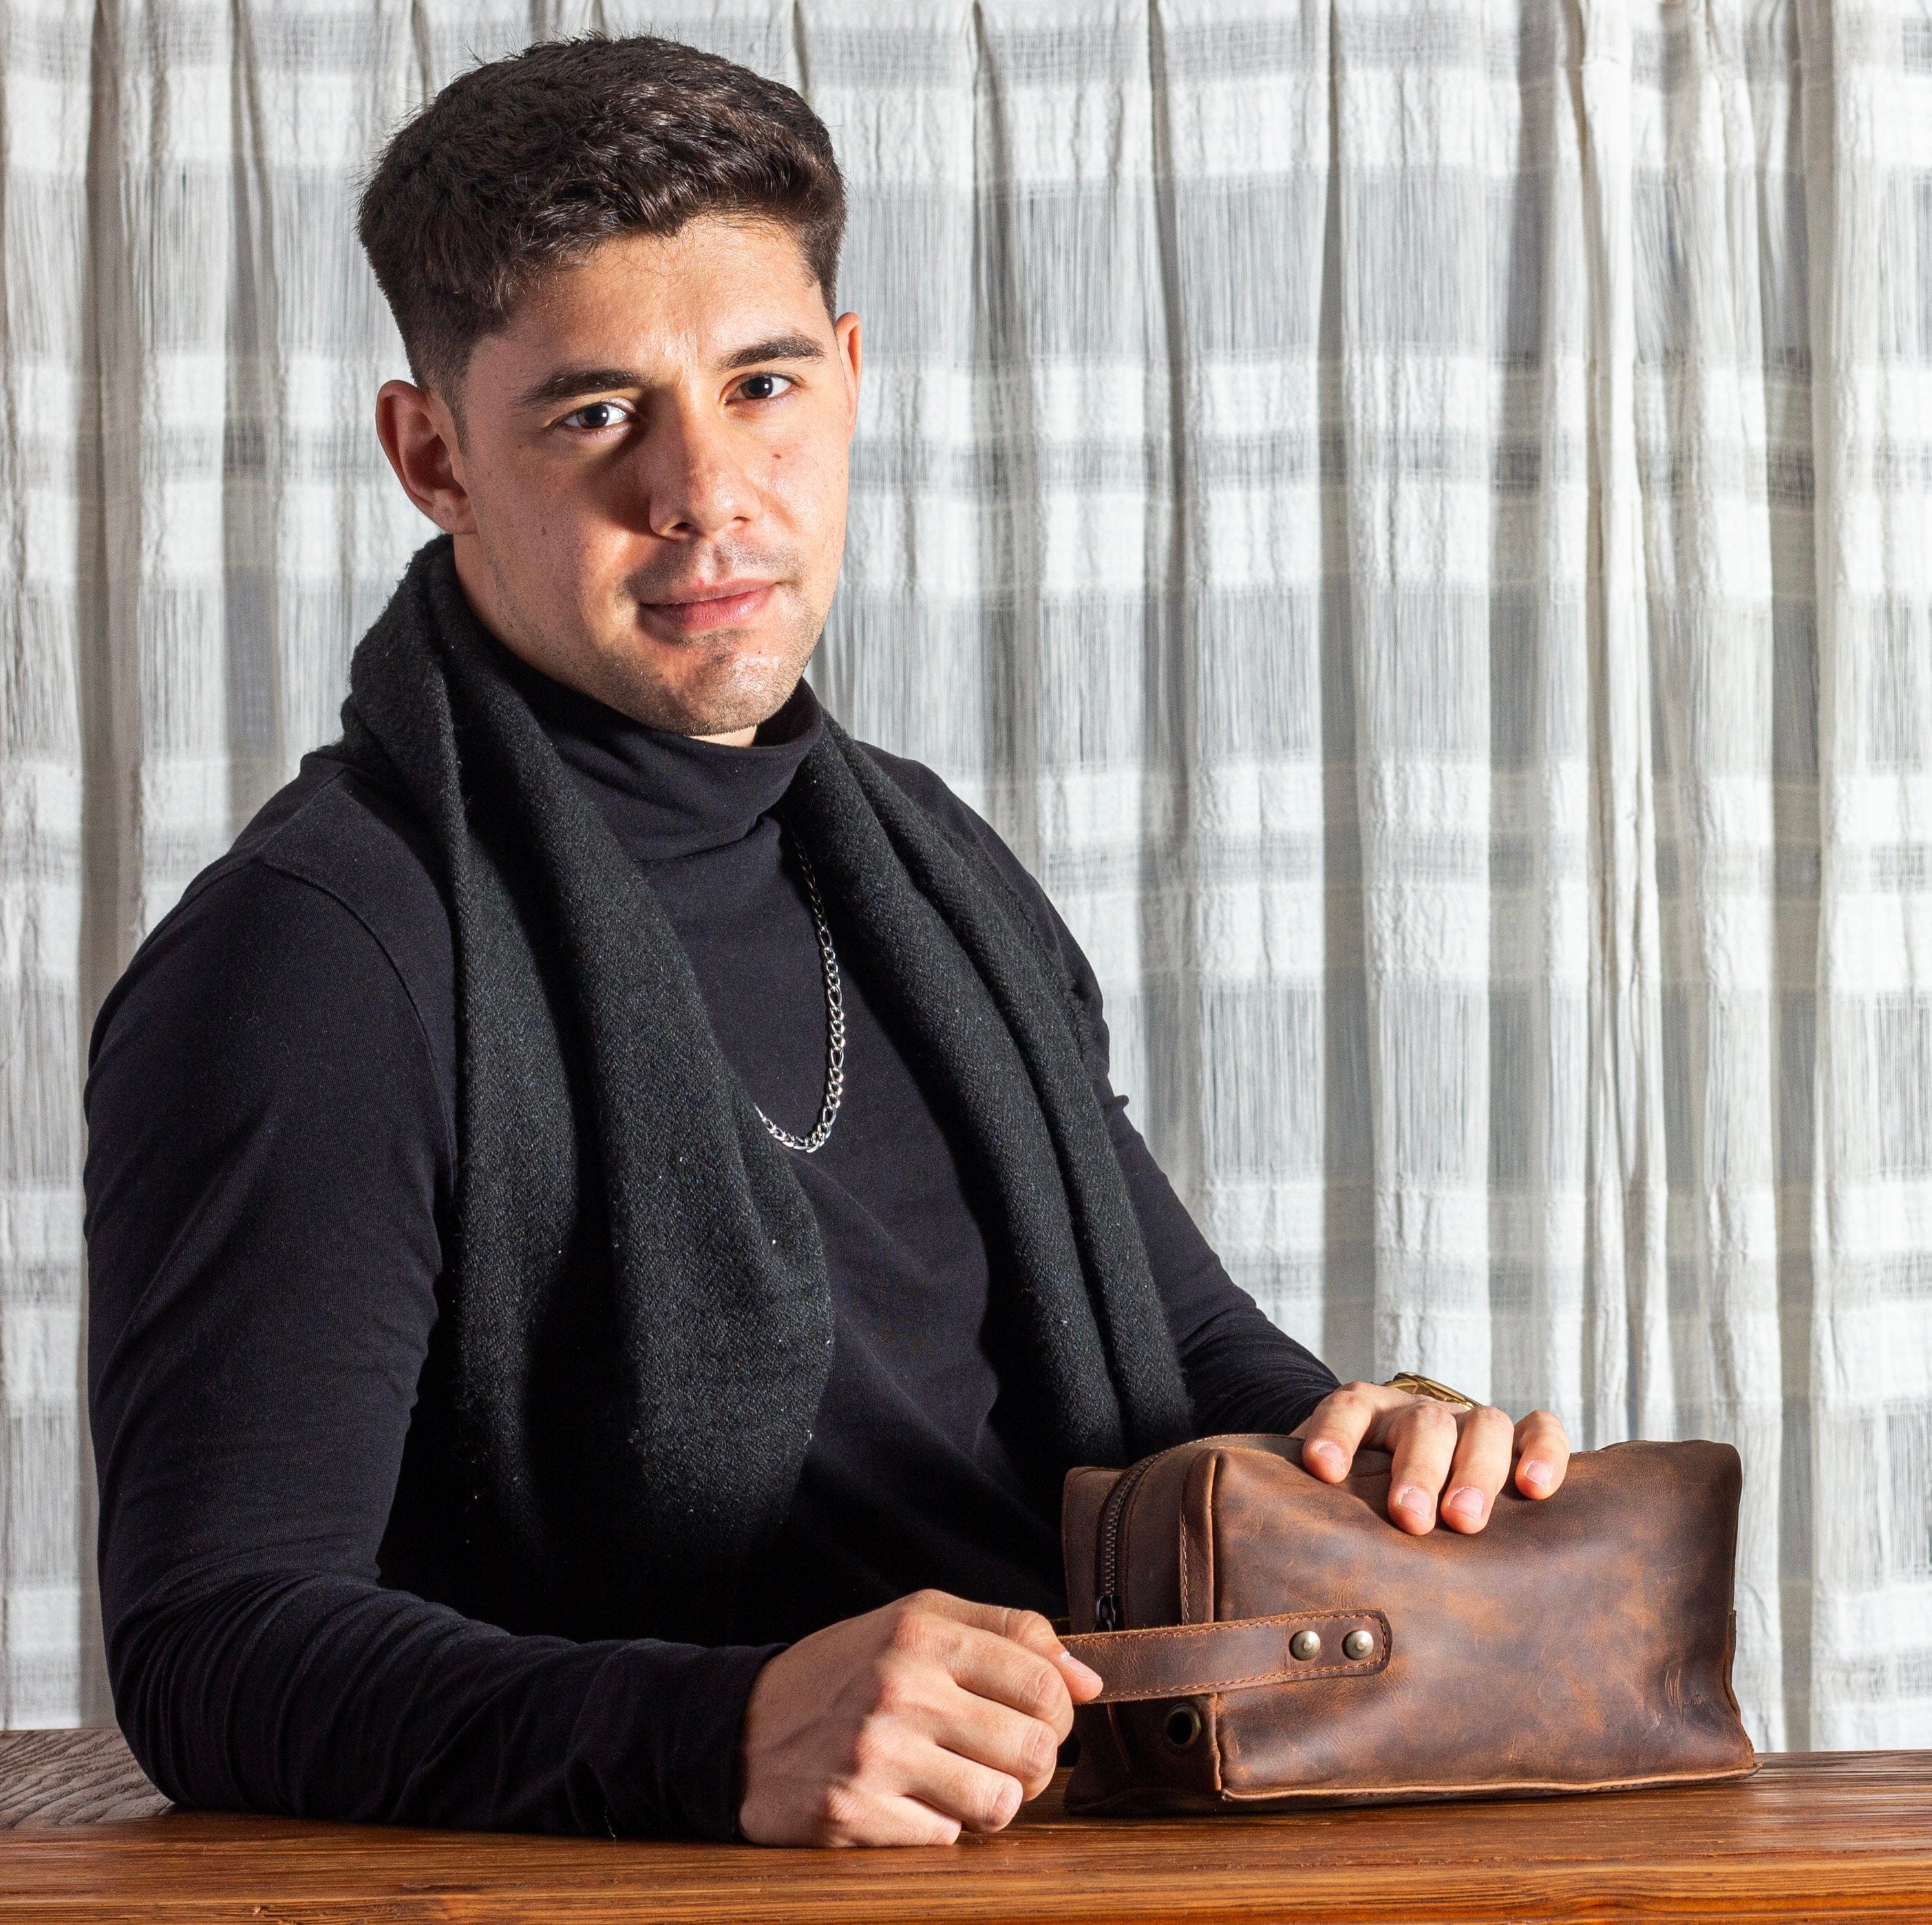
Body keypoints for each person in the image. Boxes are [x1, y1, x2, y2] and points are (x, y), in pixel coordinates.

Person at [83, 34, 1572, 1849]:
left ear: (850, 379)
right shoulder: (313, 960)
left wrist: (1377, 1430)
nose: (707, 492)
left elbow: (1183, 1354)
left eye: (763, 384)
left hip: (1091, 1841)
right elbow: (217, 1646)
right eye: (595, 414)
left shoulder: (926, 866)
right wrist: (720, 1731)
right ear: (434, 454)